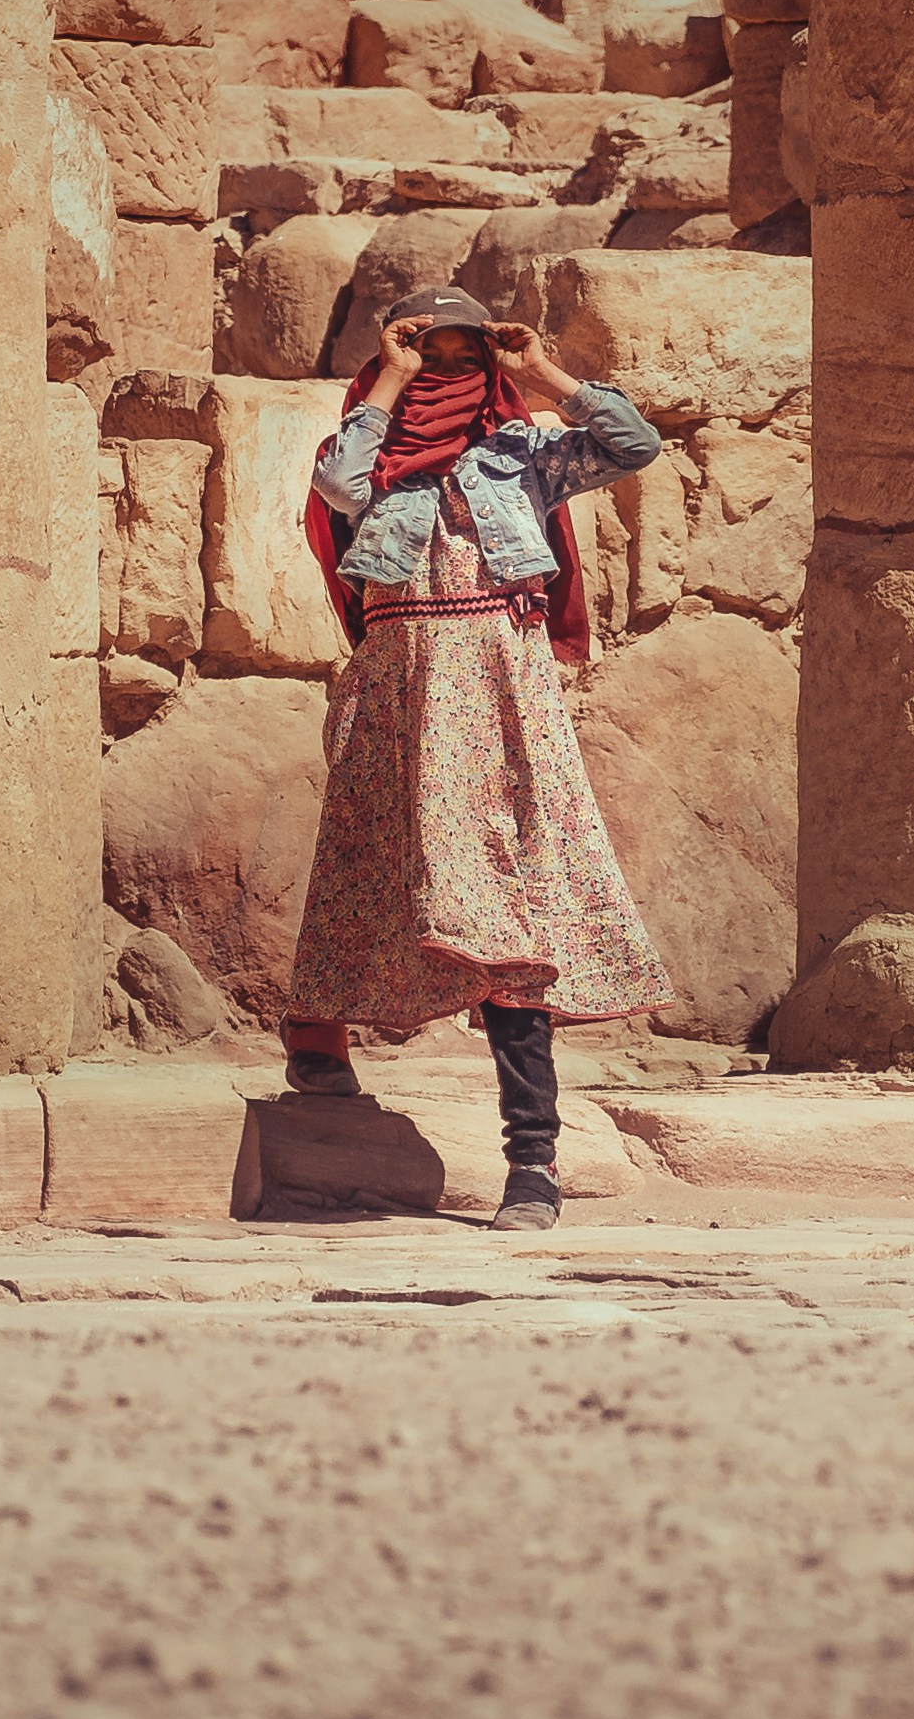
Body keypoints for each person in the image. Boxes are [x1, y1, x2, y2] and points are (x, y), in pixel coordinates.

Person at [281, 291, 675, 1229]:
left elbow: (634, 446)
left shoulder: (524, 452)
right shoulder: (374, 459)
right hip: (399, 696)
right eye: (429, 343)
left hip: (500, 697)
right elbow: (336, 485)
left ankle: (530, 1162)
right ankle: (319, 1046)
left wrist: (539, 371)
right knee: (367, 872)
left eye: (465, 345)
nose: (450, 359)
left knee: (511, 905)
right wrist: (392, 376)